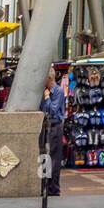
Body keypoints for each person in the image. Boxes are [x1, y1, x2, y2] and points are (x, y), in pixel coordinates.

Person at [40, 68, 66, 196]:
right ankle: (44, 185)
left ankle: (53, 188)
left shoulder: (58, 91)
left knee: (54, 158)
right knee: (44, 156)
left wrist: (46, 97)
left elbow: (53, 110)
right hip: (45, 126)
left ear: (49, 78)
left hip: (55, 126)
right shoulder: (45, 91)